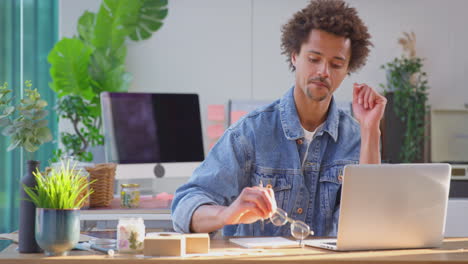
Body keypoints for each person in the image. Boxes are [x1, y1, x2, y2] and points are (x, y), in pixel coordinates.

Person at [171, 0, 387, 237]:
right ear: (294, 56)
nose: (324, 72)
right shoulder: (250, 132)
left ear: (348, 70)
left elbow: (372, 221)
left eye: (336, 64)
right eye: (314, 59)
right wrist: (226, 214)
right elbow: (185, 207)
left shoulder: (355, 138)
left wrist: (370, 129)